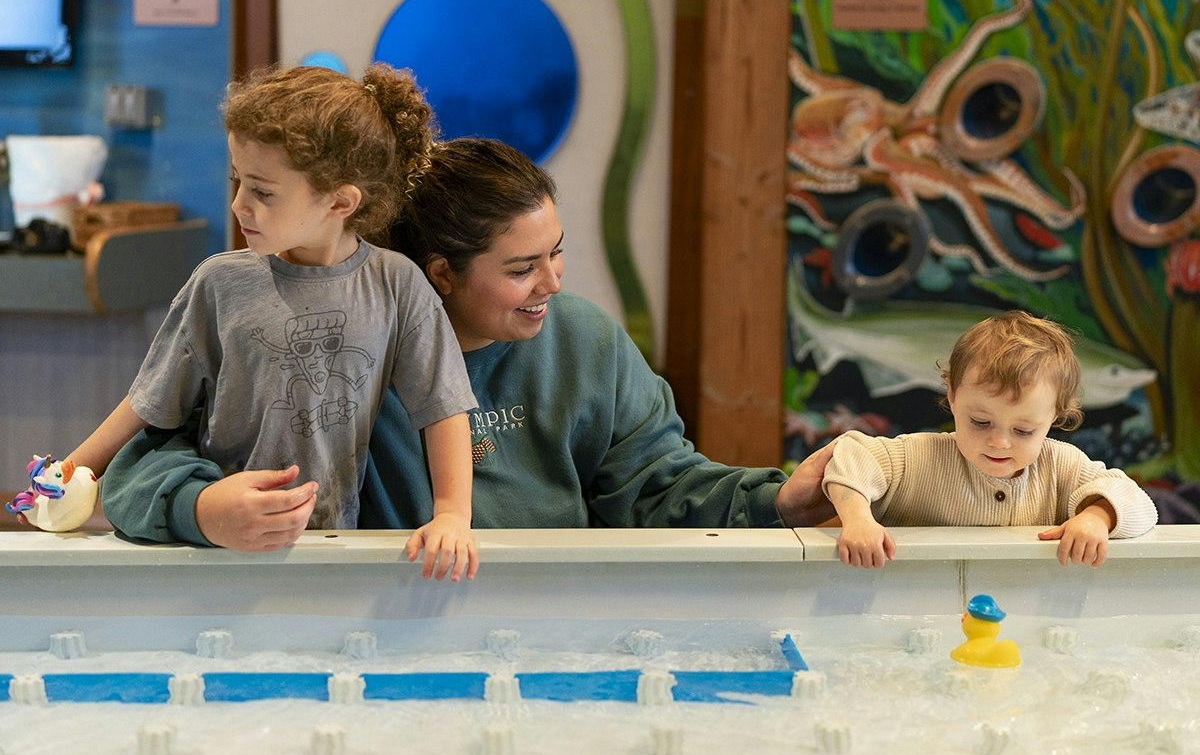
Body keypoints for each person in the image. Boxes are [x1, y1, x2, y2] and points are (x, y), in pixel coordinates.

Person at [99, 137, 836, 547]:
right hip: (387, 627)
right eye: (521, 268)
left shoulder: (584, 340)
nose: (553, 282)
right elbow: (135, 470)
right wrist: (201, 509)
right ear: (440, 276)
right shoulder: (337, 345)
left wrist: (780, 500)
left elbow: (658, 484)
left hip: (553, 626)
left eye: (556, 252)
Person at [73, 64, 479, 580]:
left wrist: (452, 515)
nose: (239, 203)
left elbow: (443, 407)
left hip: (332, 546)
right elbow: (148, 401)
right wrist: (73, 470)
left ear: (340, 201)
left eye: (263, 192)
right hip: (213, 540)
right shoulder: (218, 283)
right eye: (238, 180)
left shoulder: (396, 285)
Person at [822, 309, 1158, 570]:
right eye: (981, 422)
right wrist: (858, 519)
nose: (999, 442)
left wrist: (1096, 518)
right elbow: (852, 454)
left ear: (1054, 416)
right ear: (952, 396)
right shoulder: (918, 457)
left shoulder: (1062, 466)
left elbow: (1137, 502)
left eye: (1023, 431)